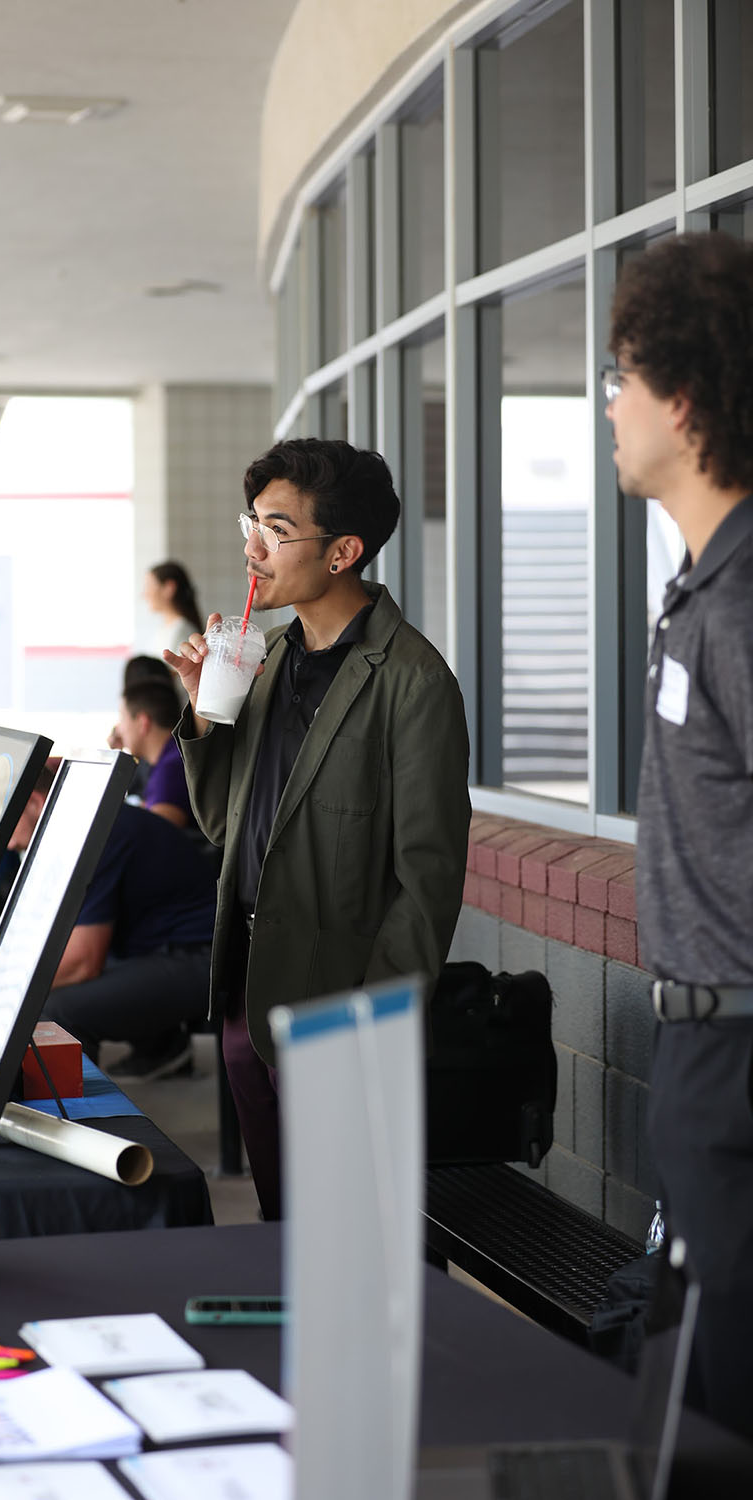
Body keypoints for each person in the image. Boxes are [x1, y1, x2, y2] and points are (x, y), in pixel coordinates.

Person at [166, 437, 471, 1219]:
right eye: (251, 525)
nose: (251, 550)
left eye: (276, 530)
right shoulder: (263, 658)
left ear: (343, 552)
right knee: (280, 1218)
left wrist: (369, 1023)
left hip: (339, 999)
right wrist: (207, 706)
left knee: (342, 1227)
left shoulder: (412, 681)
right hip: (247, 985)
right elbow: (221, 823)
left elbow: (427, 881)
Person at [603, 232, 753, 1442]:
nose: (610, 407)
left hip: (741, 1056)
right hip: (703, 1061)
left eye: (622, 378)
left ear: (684, 401)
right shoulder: (704, 582)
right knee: (686, 1395)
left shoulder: (746, 604)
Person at [3, 764, 216, 1082]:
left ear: (35, 802)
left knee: (54, 1011)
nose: (7, 843)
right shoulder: (79, 823)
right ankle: (162, 1045)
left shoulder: (91, 834)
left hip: (206, 959)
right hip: (162, 944)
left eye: (7, 824)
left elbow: (83, 963)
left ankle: (77, 1123)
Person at [115, 678, 193, 827]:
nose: (119, 730)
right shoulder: (171, 758)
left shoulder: (171, 768)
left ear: (143, 722)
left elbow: (157, 838)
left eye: (122, 719)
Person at [140, 561, 203, 656]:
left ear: (169, 588)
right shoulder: (166, 629)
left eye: (149, 586)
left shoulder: (181, 631)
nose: (144, 594)